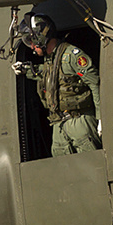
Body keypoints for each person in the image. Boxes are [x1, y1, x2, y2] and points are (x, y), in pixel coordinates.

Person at [14, 15, 101, 154]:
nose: (31, 47)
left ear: (40, 38)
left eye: (32, 41)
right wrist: (26, 70)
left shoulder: (71, 55)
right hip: (58, 125)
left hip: (79, 121)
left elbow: (95, 82)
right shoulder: (50, 60)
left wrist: (101, 117)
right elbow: (51, 75)